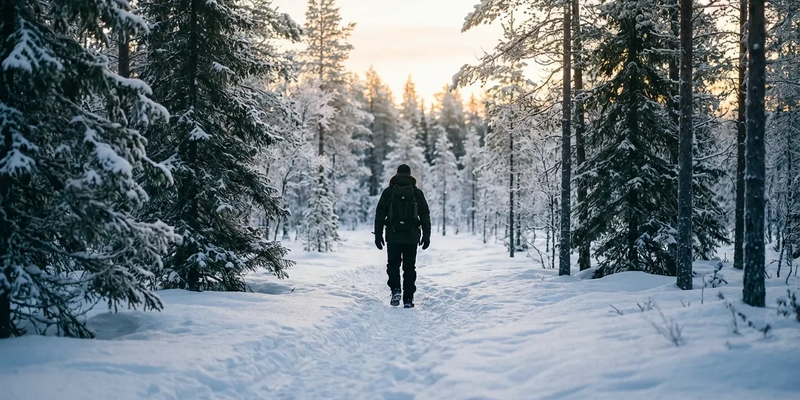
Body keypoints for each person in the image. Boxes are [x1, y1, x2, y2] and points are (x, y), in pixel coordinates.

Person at [374, 164, 431, 308]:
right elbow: (425, 215)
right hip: (411, 236)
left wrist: (378, 235)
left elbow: (380, 214)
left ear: (396, 174)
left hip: (393, 235)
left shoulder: (388, 192)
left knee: (393, 265)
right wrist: (426, 235)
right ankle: (408, 299)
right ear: (410, 175)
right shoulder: (417, 193)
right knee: (409, 267)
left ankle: (395, 290)